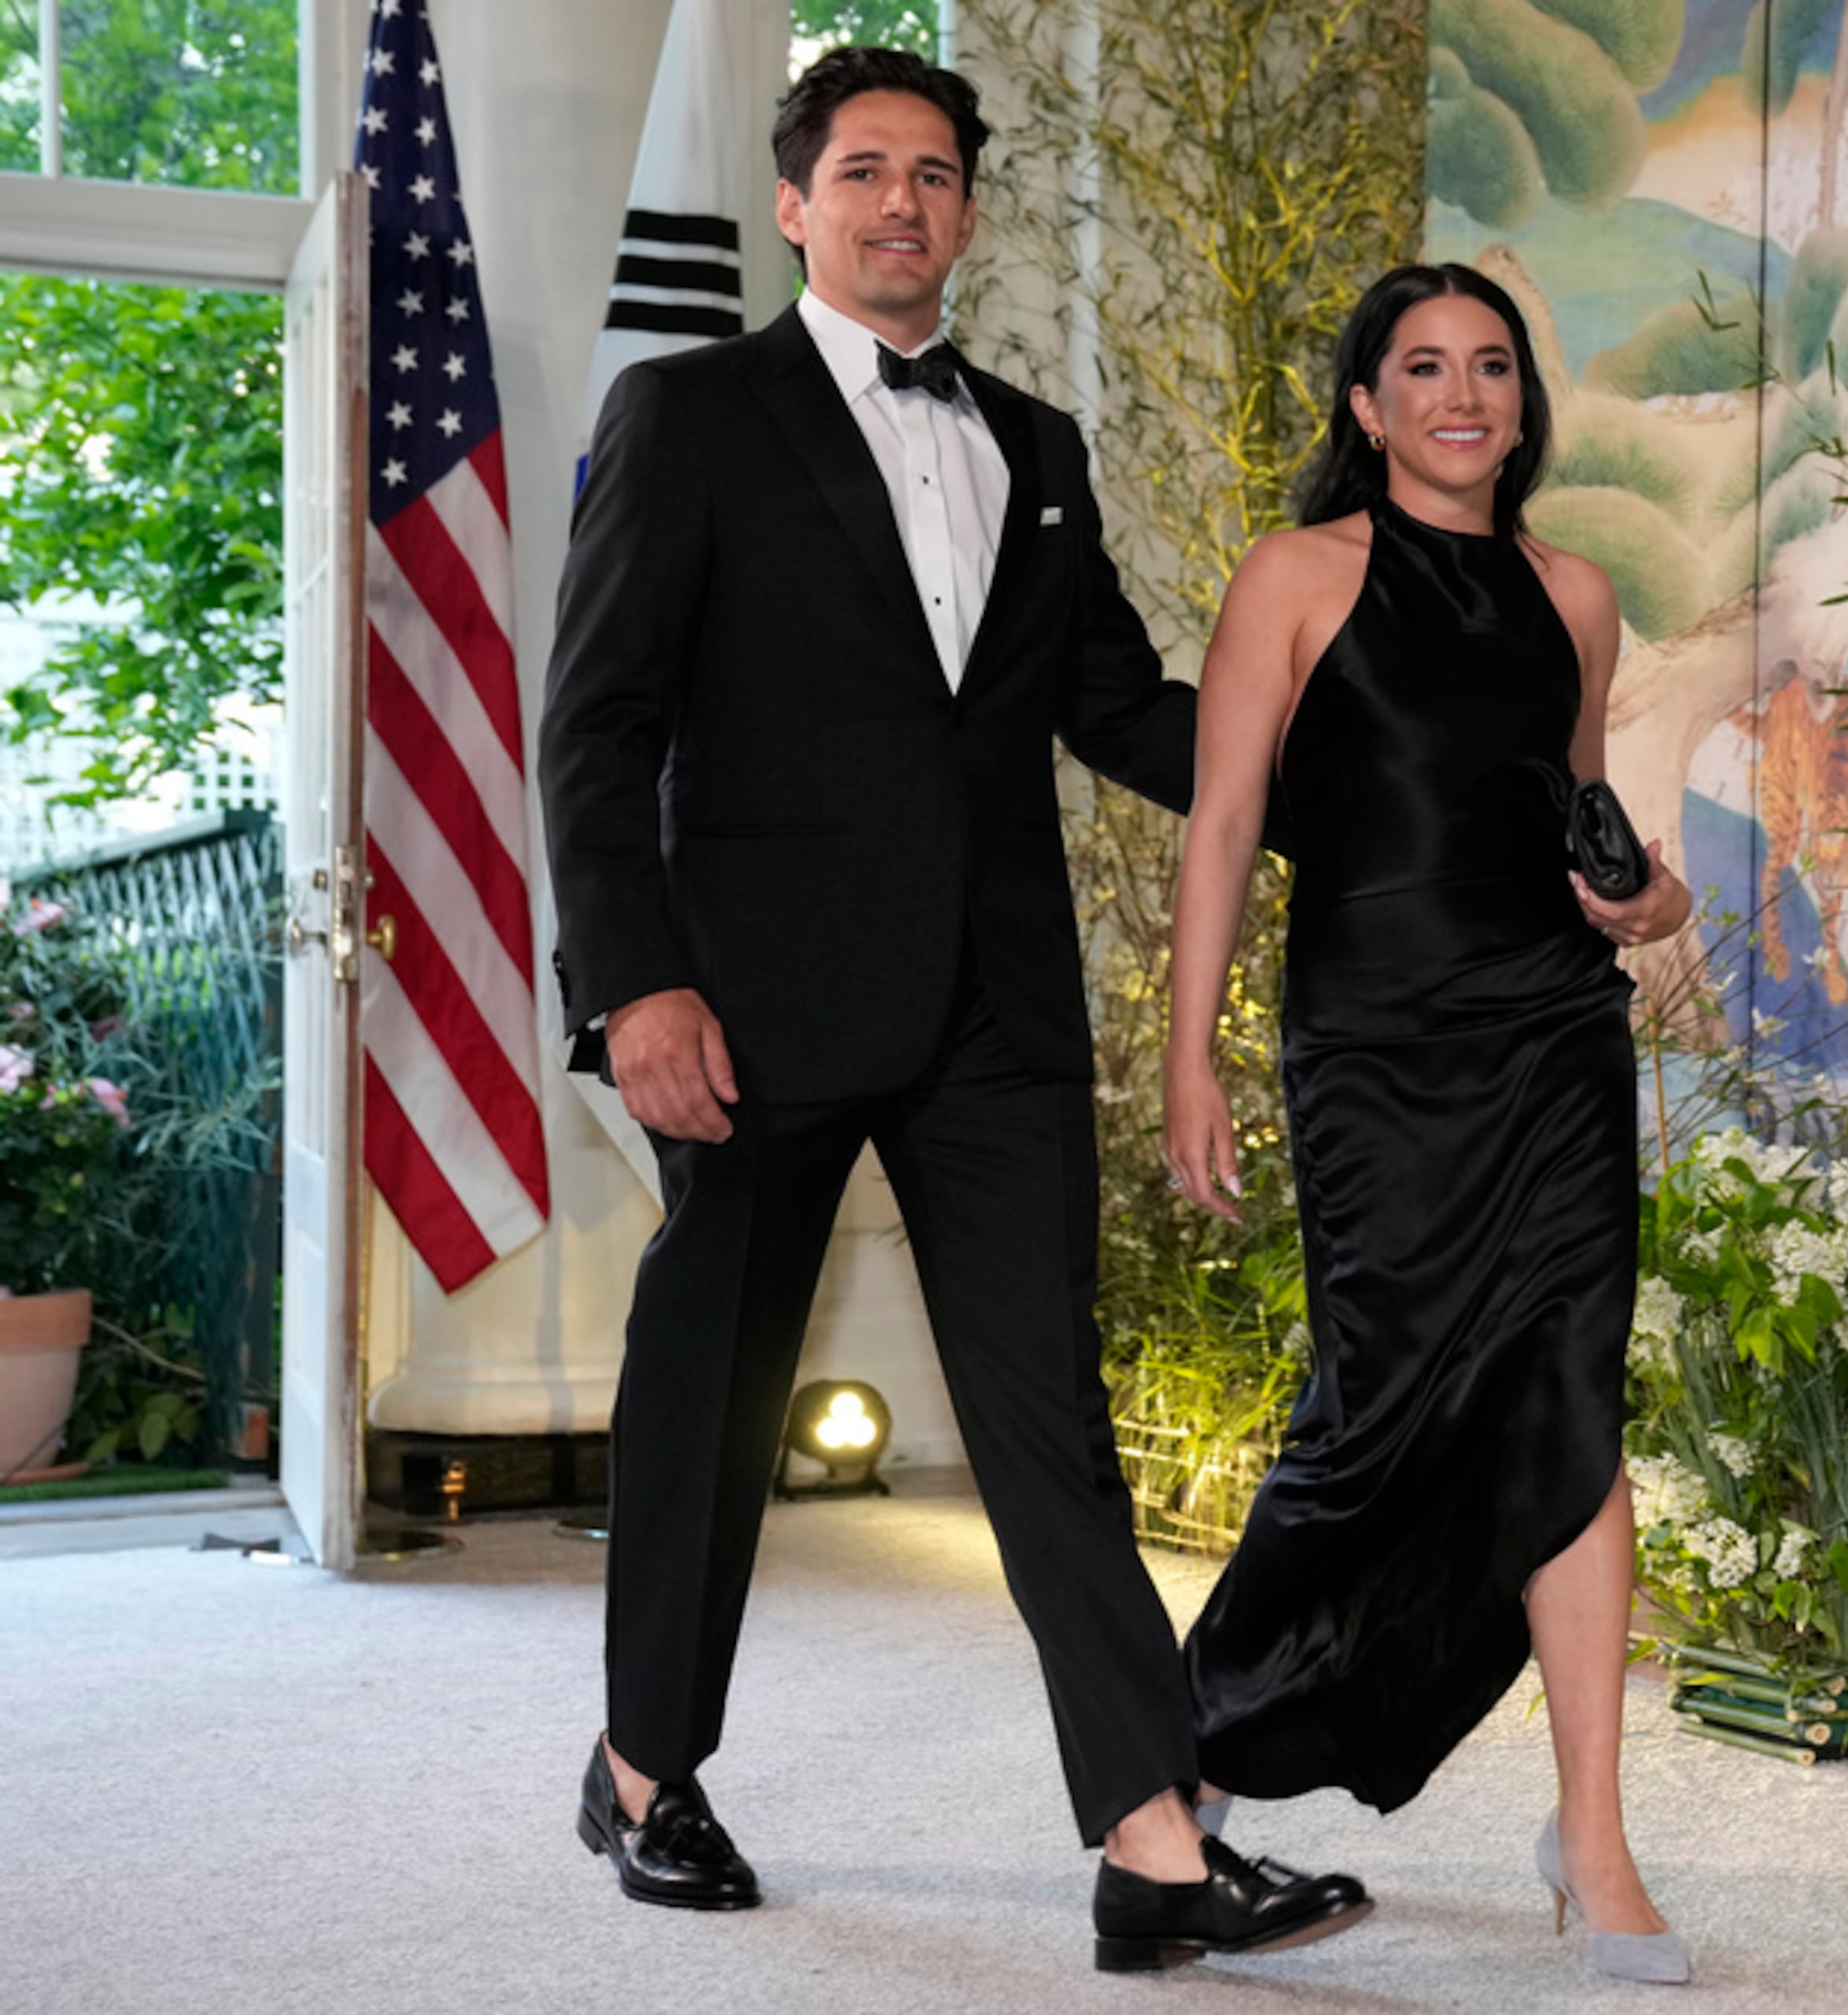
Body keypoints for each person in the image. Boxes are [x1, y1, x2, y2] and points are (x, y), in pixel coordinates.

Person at [537, 45, 1366, 1974]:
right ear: (798, 208)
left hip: (996, 1011)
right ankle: (647, 1767)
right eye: (867, 172)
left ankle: (1154, 1840)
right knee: (712, 1400)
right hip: (747, 1004)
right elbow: (595, 730)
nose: (905, 202)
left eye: (936, 175)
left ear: (969, 216)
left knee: (1048, 1423)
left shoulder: (1039, 446)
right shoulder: (692, 415)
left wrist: (1368, 796)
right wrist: (634, 984)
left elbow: (1126, 710)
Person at [1160, 263, 1698, 1985]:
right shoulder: (1296, 580)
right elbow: (1227, 823)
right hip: (1376, 1051)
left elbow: (1579, 809)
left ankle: (1593, 1836)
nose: (1462, 394)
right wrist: (1191, 1056)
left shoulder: (1580, 596)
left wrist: (1643, 897)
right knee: (1371, 1422)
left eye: (1491, 367)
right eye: (1422, 368)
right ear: (1367, 408)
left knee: (1568, 1400)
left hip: (1551, 1041)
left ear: (1523, 404)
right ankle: (1213, 1735)